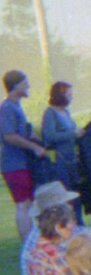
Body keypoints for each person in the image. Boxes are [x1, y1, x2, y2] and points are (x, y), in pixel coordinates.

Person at [1, 70, 48, 240]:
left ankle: (33, 240)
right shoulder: (6, 108)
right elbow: (9, 136)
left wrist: (32, 137)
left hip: (23, 163)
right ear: (15, 86)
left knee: (29, 202)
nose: (28, 86)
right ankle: (28, 243)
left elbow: (19, 132)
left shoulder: (16, 106)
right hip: (14, 164)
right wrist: (33, 147)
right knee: (23, 204)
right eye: (24, 83)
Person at [41, 81, 85, 202]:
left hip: (72, 159)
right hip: (60, 160)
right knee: (65, 195)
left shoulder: (66, 112)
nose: (71, 98)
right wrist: (72, 133)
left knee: (76, 194)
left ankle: (78, 220)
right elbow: (49, 136)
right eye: (69, 95)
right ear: (60, 95)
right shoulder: (50, 113)